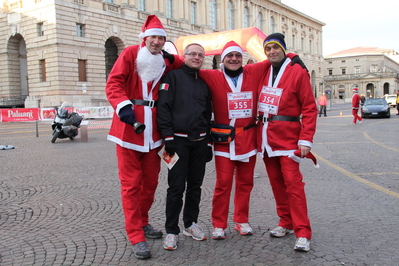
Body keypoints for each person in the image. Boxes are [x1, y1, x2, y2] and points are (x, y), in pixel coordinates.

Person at [199, 41, 307, 240]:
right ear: (222, 59)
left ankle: (241, 220)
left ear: (242, 58)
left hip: (248, 139)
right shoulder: (211, 75)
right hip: (223, 139)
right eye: (229, 56)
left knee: (245, 183)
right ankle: (219, 224)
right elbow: (188, 65)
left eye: (238, 56)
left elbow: (275, 55)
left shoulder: (253, 71)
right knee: (222, 184)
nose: (234, 59)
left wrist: (295, 58)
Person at [105, 15, 181, 259]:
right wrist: (123, 106)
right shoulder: (130, 53)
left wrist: (173, 58)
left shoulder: (164, 61)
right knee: (131, 185)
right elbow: (113, 83)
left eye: (161, 38)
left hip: (154, 134)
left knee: (150, 183)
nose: (157, 42)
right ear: (144, 38)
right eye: (154, 38)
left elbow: (187, 62)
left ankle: (144, 221)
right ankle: (135, 234)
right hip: (129, 131)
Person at [257, 33, 317, 252]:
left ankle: (303, 232)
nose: (272, 52)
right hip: (266, 139)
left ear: (283, 49)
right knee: (276, 184)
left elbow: (309, 108)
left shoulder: (298, 72)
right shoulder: (263, 70)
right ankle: (286, 221)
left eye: (276, 48)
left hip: (289, 138)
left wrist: (306, 139)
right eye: (268, 49)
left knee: (293, 185)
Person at [157, 43, 213, 251]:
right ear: (185, 56)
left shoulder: (204, 83)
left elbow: (208, 115)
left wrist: (208, 142)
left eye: (200, 55)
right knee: (176, 188)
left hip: (199, 143)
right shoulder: (172, 78)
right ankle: (171, 230)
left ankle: (190, 223)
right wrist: (168, 137)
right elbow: (163, 108)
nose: (197, 57)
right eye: (193, 54)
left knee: (195, 187)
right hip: (177, 142)